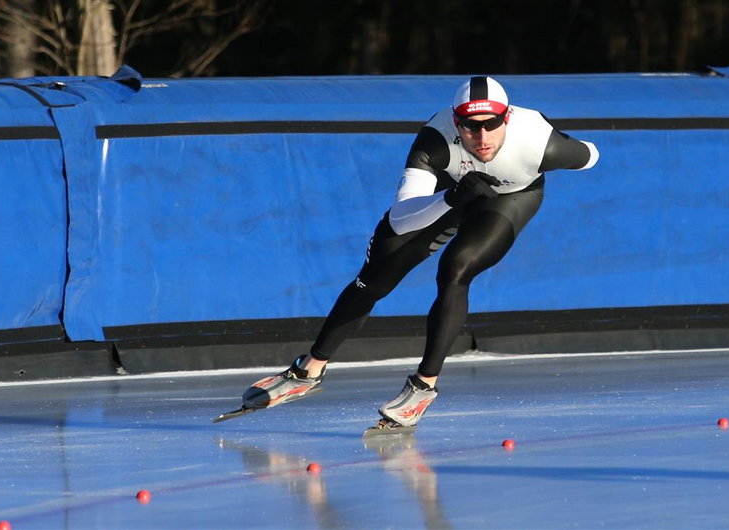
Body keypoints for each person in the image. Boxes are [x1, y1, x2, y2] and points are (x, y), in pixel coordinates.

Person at [240, 76, 599, 430]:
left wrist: (561, 142)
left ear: (506, 118)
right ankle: (308, 370)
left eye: (491, 124)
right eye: (471, 127)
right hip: (447, 194)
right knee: (374, 279)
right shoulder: (435, 141)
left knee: (455, 268)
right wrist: (450, 198)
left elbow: (590, 155)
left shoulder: (539, 142)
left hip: (509, 198)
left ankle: (423, 386)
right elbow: (400, 218)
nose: (483, 137)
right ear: (455, 122)